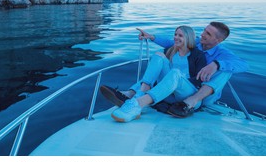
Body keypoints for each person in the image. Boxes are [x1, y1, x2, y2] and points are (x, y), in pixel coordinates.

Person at [101, 21, 249, 123]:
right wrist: (152, 37)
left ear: (218, 40)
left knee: (226, 69)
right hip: (180, 84)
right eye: (204, 30)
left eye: (208, 34)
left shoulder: (222, 53)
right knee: (159, 56)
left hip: (199, 94)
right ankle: (133, 94)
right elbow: (174, 42)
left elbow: (243, 64)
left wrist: (217, 64)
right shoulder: (196, 43)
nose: (203, 34)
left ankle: (141, 103)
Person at [101, 25, 207, 122]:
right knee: (158, 55)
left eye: (180, 35)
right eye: (175, 34)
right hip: (167, 93)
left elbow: (199, 80)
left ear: (188, 37)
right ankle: (137, 94)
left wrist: (175, 81)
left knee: (175, 73)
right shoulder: (170, 51)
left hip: (187, 95)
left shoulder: (198, 55)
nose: (175, 37)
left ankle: (137, 103)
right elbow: (156, 72)